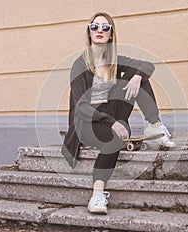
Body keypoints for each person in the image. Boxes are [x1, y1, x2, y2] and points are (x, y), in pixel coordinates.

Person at [61, 12, 176, 214]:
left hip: (112, 113)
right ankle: (97, 195)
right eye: (94, 26)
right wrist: (111, 122)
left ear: (111, 34)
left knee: (138, 73)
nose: (99, 31)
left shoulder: (112, 60)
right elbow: (81, 106)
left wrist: (137, 77)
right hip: (88, 120)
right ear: (88, 32)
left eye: (105, 27)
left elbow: (147, 65)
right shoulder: (80, 65)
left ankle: (154, 127)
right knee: (113, 139)